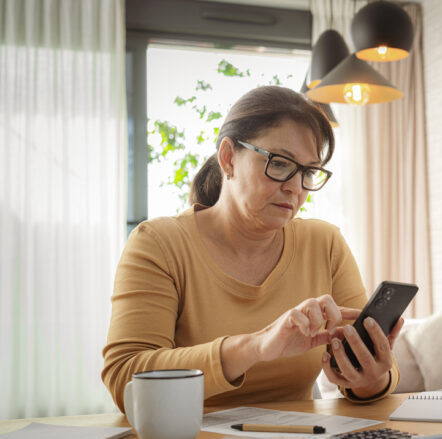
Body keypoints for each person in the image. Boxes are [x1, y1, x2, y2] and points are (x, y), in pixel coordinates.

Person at [102, 86, 402, 412]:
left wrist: (370, 376)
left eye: (308, 172)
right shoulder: (159, 243)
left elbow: (375, 377)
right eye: (280, 163)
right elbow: (125, 377)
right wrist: (256, 346)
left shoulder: (324, 244)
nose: (295, 188)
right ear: (229, 158)